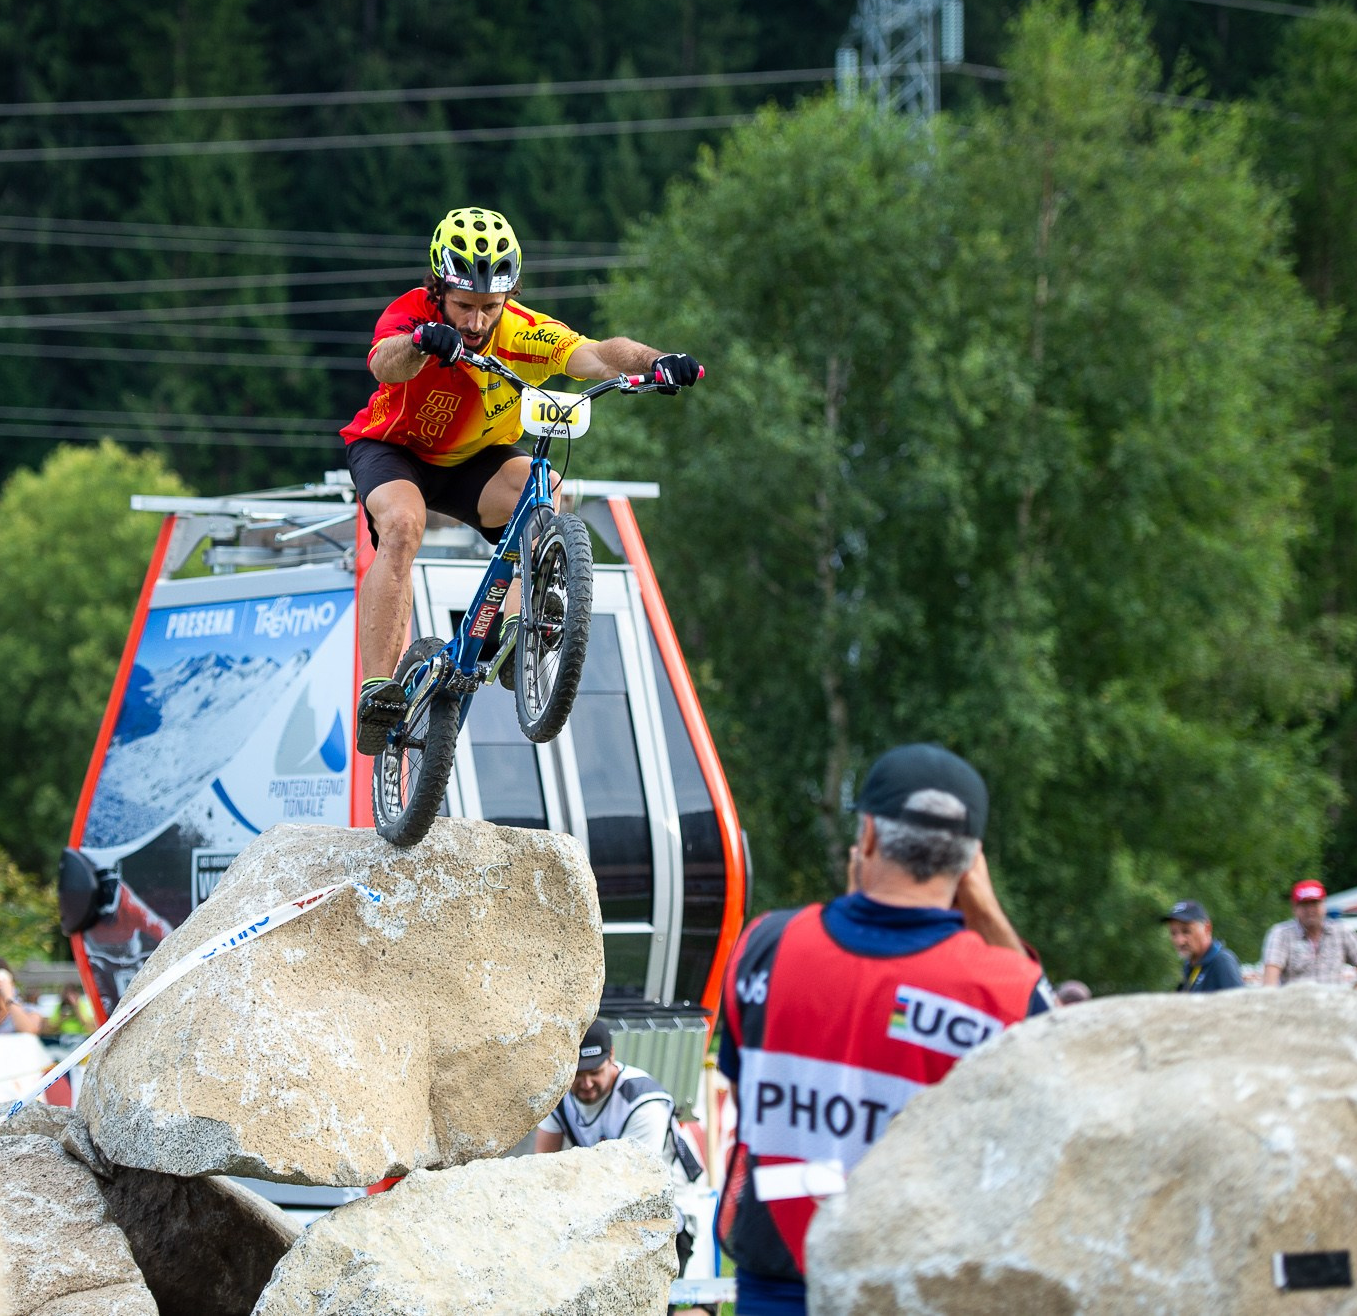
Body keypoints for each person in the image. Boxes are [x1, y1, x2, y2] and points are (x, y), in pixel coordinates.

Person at [344, 206, 703, 754]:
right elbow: (383, 364)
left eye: (491, 306)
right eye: (465, 306)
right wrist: (421, 343)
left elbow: (599, 354)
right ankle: (377, 689)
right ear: (438, 288)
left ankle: (518, 631)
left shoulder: (522, 332)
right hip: (394, 450)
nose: (477, 322)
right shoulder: (412, 315)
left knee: (548, 489)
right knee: (402, 525)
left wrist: (658, 361)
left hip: (474, 462)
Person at [716, 744, 1050, 1316]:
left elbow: (755, 1079)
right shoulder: (1007, 990)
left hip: (778, 1282)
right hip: (912, 1290)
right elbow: (1058, 1061)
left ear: (867, 835)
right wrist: (989, 914)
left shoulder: (765, 947)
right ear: (971, 863)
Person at [537, 1020, 706, 1272]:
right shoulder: (558, 1093)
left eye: (595, 1072)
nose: (586, 1084)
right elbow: (542, 1168)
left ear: (612, 1056)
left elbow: (634, 1184)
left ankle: (705, 1309)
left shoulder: (643, 1103)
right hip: (600, 1208)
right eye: (578, 1074)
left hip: (664, 1216)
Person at [1261, 880, 1357, 996]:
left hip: (1333, 1009)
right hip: (1295, 1011)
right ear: (1294, 908)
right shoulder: (1280, 934)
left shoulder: (1342, 931)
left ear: (1323, 905)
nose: (1310, 909)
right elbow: (1270, 981)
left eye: (1314, 903)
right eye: (1304, 904)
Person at [1161, 900, 1245, 992]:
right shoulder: (1190, 965)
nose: (1180, 941)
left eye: (1186, 931)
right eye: (1173, 933)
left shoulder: (1221, 962)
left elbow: (1240, 1003)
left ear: (1207, 928)